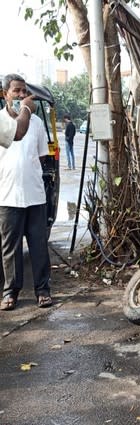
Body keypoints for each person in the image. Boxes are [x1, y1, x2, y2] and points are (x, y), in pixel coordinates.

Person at [0, 74, 52, 311]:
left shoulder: (38, 123)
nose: (21, 95)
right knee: (10, 248)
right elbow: (16, 133)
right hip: (8, 196)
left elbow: (42, 156)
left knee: (39, 244)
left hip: (35, 196)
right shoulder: (1, 121)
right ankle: (11, 292)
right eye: (16, 91)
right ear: (5, 94)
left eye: (23, 91)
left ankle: (43, 291)